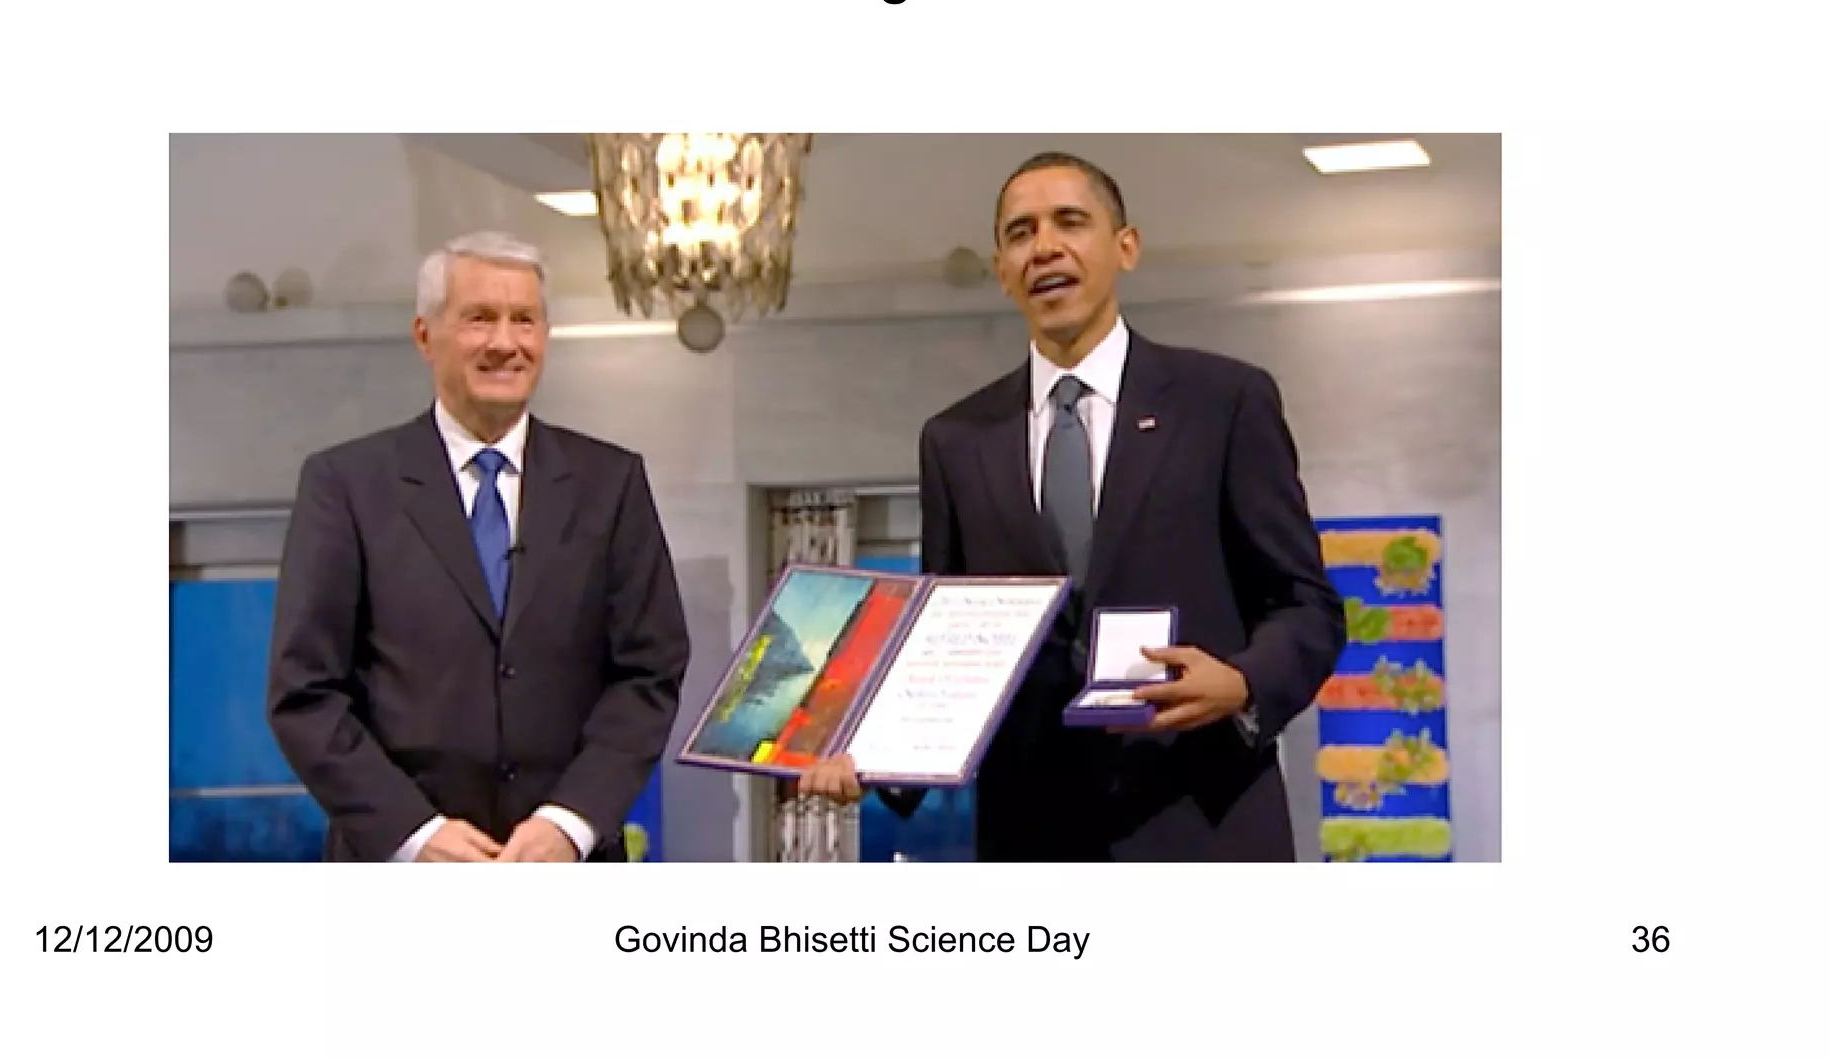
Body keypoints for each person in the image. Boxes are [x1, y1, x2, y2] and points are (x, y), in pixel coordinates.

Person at [799, 153, 1343, 860]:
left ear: (1126, 247)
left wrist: (1242, 684)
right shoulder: (957, 440)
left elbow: (1306, 604)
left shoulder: (1224, 402)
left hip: (1204, 821)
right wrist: (869, 755)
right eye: (1020, 233)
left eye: (1070, 222)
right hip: (1033, 833)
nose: (1044, 246)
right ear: (1001, 269)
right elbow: (942, 640)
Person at [266, 231, 689, 862]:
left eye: (525, 320)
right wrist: (414, 835)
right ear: (424, 336)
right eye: (479, 319)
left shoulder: (611, 484)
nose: (505, 342)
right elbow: (305, 693)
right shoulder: (347, 485)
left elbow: (648, 674)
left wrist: (570, 822)